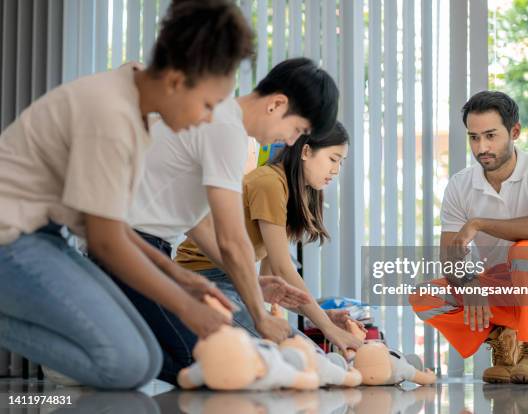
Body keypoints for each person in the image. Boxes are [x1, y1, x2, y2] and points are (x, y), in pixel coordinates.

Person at [0, 0, 253, 389]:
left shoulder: (134, 108)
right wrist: (186, 306)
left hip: (46, 236)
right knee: (125, 365)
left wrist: (180, 277)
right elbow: (105, 244)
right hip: (11, 238)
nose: (206, 119)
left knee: (148, 358)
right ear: (174, 81)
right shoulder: (112, 117)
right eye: (207, 105)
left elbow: (111, 228)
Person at [122, 58, 344, 384]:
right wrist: (259, 315)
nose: (293, 141)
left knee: (204, 358)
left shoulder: (232, 130)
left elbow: (194, 222)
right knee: (215, 362)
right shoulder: (227, 130)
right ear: (277, 104)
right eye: (298, 129)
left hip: (150, 249)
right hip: (132, 246)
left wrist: (253, 285)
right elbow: (230, 238)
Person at [410, 91, 528, 384]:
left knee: (525, 251)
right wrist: (470, 284)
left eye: (490, 135)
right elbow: (449, 258)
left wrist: (479, 223)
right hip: (507, 291)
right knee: (424, 296)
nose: (482, 147)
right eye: (474, 137)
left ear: (515, 131)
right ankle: (503, 338)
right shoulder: (460, 185)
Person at [176, 122, 365, 357]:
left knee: (309, 357)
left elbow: (273, 282)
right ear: (306, 152)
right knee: (307, 359)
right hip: (206, 281)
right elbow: (282, 268)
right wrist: (326, 328)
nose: (336, 170)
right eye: (333, 159)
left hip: (235, 282)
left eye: (341, 162)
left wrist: (321, 316)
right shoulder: (270, 183)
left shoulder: (288, 190)